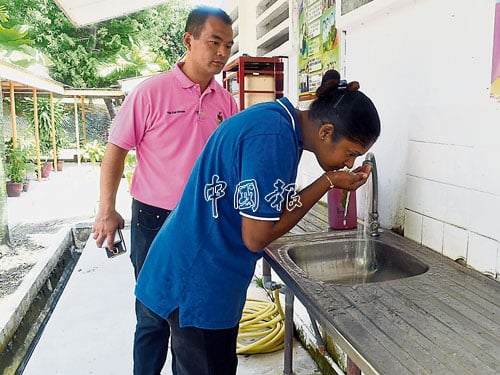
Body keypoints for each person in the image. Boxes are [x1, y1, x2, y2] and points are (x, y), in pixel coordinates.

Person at [134, 70, 381, 375]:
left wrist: (327, 180)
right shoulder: (273, 138)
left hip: (187, 261)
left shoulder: (275, 120)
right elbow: (256, 236)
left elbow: (266, 209)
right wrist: (327, 181)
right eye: (351, 153)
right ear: (326, 132)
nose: (350, 163)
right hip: (199, 278)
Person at [91, 6, 237, 375]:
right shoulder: (151, 92)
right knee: (153, 316)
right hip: (154, 221)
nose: (222, 53)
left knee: (191, 322)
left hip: (205, 224)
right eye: (214, 42)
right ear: (189, 40)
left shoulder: (226, 103)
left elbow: (230, 163)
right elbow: (116, 150)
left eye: (228, 45)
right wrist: (106, 210)